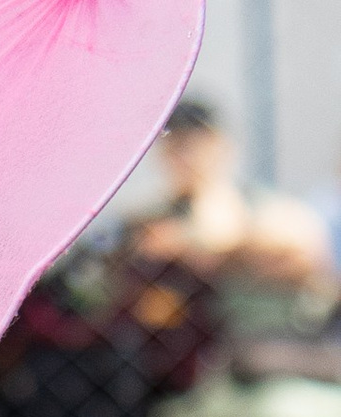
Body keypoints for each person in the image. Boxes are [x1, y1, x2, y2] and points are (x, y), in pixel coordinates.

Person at [129, 93, 336, 341]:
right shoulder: (152, 218)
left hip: (274, 340)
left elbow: (303, 253)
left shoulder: (259, 205)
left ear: (220, 145)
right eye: (176, 146)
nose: (185, 157)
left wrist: (198, 242)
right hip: (191, 352)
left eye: (194, 144)